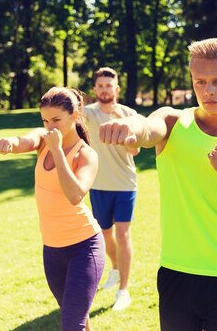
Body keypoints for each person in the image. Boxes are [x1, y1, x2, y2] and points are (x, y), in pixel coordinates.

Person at [98, 38, 217, 331]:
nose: (208, 90)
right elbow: (147, 128)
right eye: (200, 82)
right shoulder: (173, 122)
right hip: (175, 273)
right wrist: (128, 128)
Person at [0, 87, 104, 331]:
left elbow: (75, 195)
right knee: (78, 318)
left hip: (84, 247)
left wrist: (57, 150)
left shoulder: (86, 155)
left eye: (56, 120)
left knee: (71, 324)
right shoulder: (44, 139)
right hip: (53, 251)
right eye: (45, 120)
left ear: (75, 115)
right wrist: (8, 143)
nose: (49, 126)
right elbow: (24, 142)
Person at [84, 67, 140, 311]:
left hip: (125, 184)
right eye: (101, 86)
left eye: (110, 85)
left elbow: (136, 149)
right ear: (95, 89)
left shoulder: (129, 114)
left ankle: (123, 291)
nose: (105, 90)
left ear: (117, 89)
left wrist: (126, 134)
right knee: (105, 234)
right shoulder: (87, 114)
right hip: (98, 185)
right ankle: (115, 270)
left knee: (123, 235)